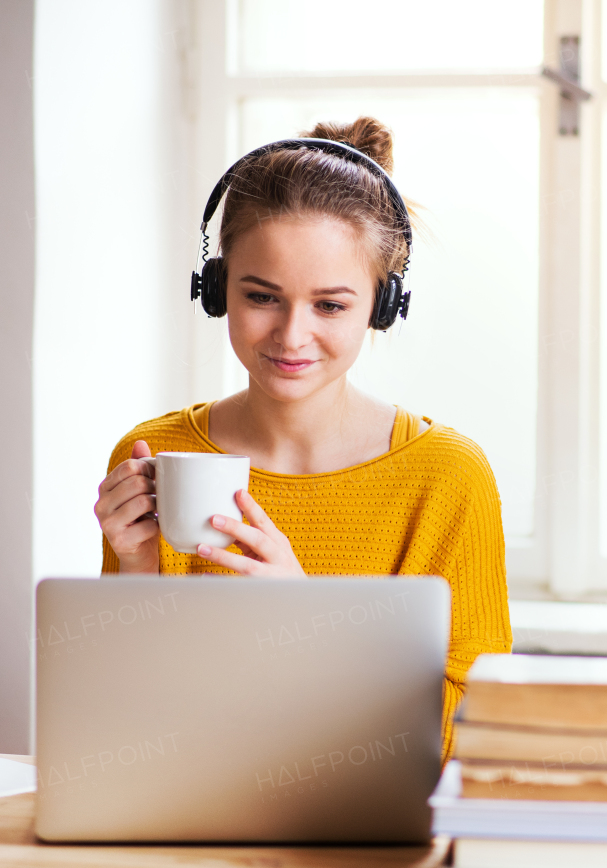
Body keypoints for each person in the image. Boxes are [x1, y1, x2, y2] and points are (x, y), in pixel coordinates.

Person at [92, 117, 512, 760]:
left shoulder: (447, 476)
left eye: (331, 305)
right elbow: (124, 724)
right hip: (189, 813)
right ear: (216, 291)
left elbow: (472, 730)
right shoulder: (153, 457)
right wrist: (137, 573)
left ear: (382, 304)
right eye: (262, 296)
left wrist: (304, 626)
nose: (291, 335)